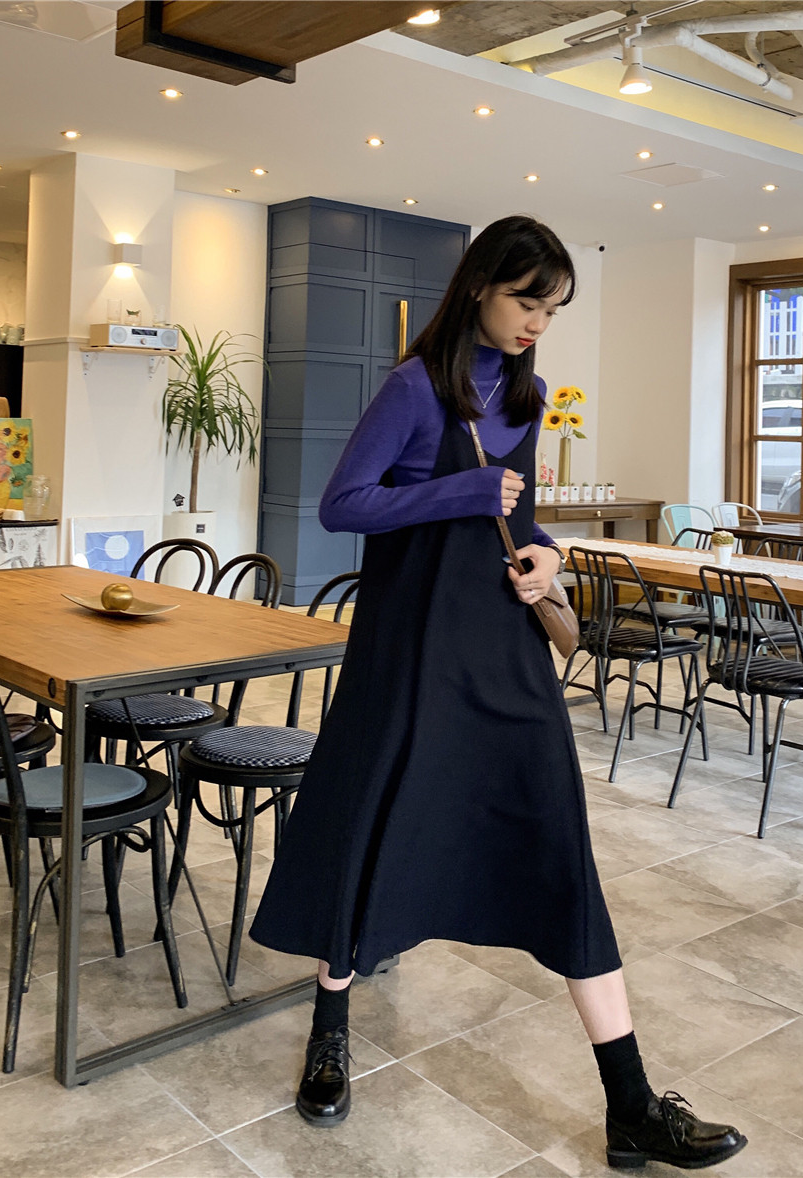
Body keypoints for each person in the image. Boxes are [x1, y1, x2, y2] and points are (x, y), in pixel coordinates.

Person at [250, 215, 747, 1171]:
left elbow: (522, 515)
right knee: (369, 830)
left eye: (553, 310)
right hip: (408, 653)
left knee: (559, 844)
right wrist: (459, 494)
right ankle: (330, 1031)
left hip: (505, 653)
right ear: (480, 284)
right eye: (528, 301)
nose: (537, 324)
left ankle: (632, 1102)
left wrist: (546, 559)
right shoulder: (413, 387)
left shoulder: (528, 394)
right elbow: (343, 506)